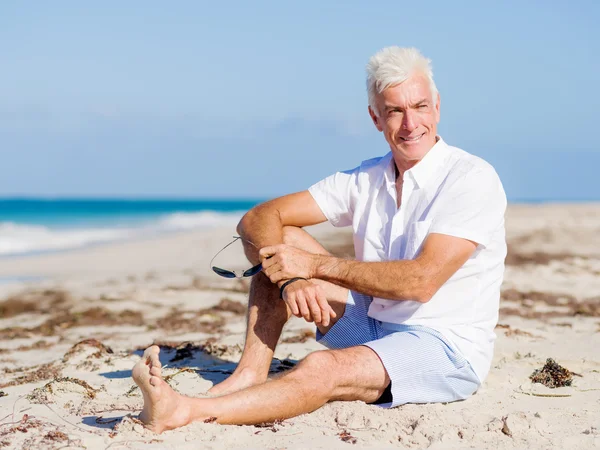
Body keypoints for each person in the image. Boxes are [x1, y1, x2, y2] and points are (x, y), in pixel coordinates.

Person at [132, 46, 507, 433]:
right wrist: (292, 278)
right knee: (279, 242)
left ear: (438, 106)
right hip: (374, 325)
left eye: (420, 106)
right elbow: (260, 218)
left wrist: (312, 267)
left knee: (321, 367)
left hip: (444, 348)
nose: (411, 123)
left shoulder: (470, 179)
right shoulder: (367, 178)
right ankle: (249, 375)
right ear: (375, 118)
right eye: (395, 110)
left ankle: (185, 411)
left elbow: (420, 282)